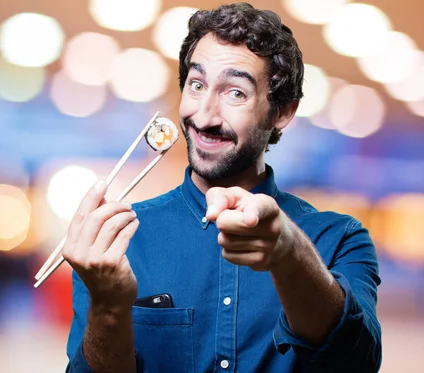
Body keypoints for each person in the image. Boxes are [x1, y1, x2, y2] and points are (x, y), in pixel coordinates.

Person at [62, 3, 382, 372]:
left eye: (236, 93)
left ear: (282, 111)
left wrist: (287, 251)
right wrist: (107, 305)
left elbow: (357, 361)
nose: (205, 116)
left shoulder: (339, 238)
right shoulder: (117, 242)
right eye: (196, 85)